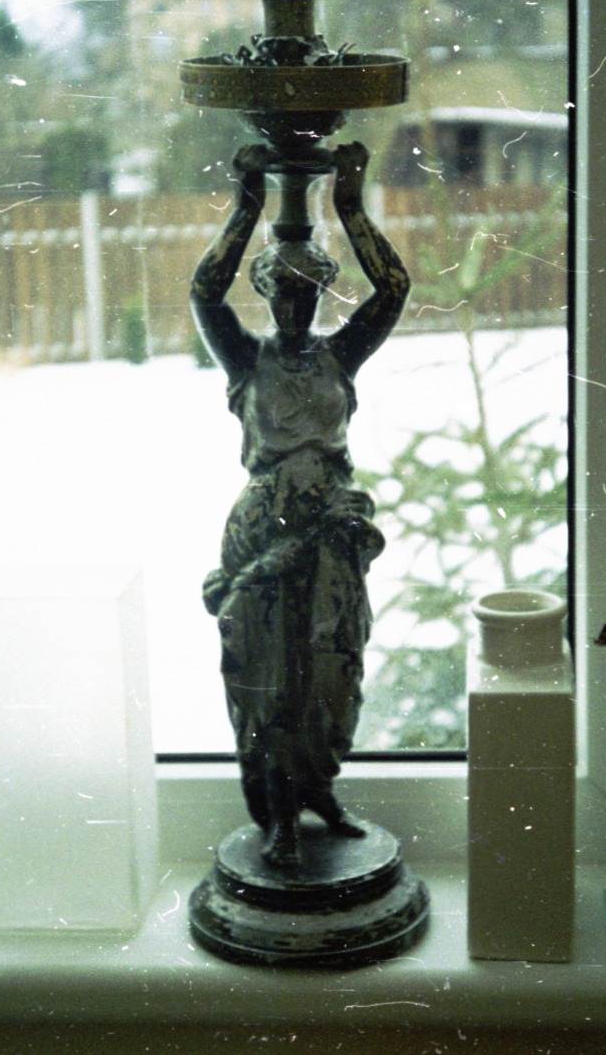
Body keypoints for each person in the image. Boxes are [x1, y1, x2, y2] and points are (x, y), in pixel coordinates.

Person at [192, 140, 410, 869]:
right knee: (267, 675)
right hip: (261, 531)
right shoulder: (244, 359)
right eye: (279, 292)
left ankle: (318, 788)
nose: (292, 304)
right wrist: (247, 205)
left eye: (305, 293)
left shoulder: (337, 355)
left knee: (330, 665)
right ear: (265, 294)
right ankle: (279, 811)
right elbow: (202, 293)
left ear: (320, 295)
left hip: (333, 528)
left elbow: (394, 289)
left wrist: (348, 204)